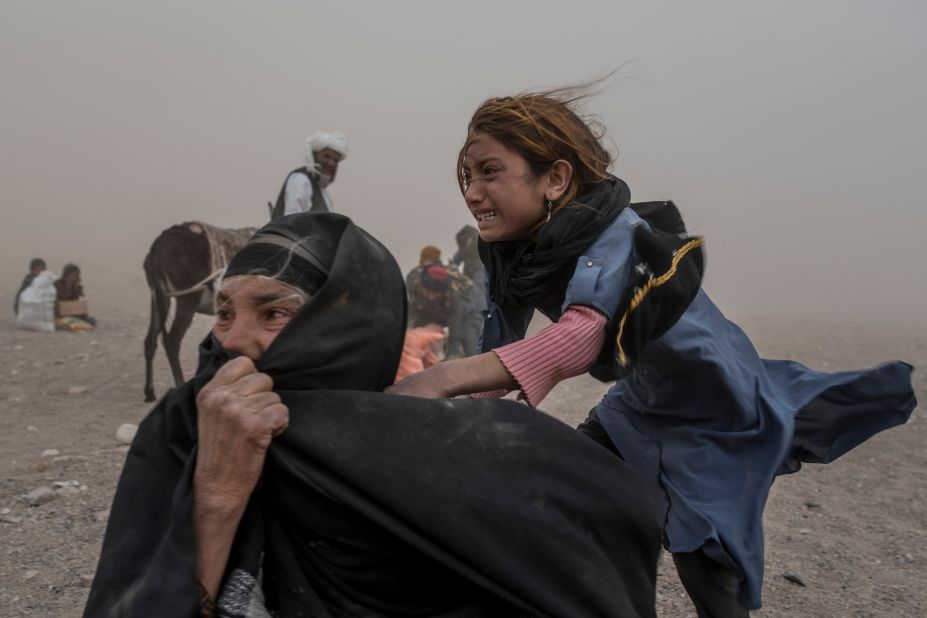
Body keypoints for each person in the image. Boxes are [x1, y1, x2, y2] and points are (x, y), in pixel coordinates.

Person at [386, 88, 918, 616]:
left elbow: (578, 338)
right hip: (641, 402)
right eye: (466, 176)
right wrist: (452, 418)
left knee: (705, 563)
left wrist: (440, 378)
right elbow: (500, 346)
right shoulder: (512, 251)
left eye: (489, 172)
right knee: (566, 494)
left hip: (714, 407)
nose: (473, 193)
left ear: (555, 178)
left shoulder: (616, 235)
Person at [84, 212, 663, 618]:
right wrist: (215, 501)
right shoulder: (184, 434)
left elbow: (605, 518)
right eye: (224, 312)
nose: (235, 342)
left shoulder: (444, 451)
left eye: (274, 313)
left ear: (348, 325)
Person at [269, 131, 348, 220]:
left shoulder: (322, 191)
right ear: (313, 155)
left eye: (335, 160)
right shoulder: (301, 180)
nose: (331, 163)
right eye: (327, 156)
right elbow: (293, 223)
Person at [54, 263, 97, 328]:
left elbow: (75, 303)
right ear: (66, 275)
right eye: (72, 275)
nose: (74, 278)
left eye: (76, 275)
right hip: (60, 312)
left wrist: (76, 288)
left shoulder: (77, 287)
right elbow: (61, 299)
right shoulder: (58, 284)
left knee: (92, 320)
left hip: (72, 313)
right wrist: (68, 286)